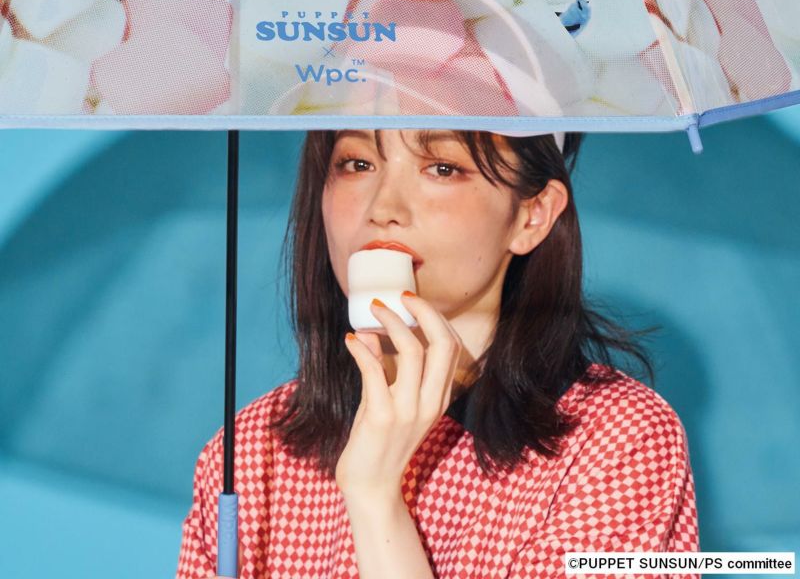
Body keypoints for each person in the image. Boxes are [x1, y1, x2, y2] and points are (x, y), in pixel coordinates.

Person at [176, 128, 699, 579]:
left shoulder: (621, 443)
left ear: (532, 215)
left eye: (442, 168)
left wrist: (376, 498)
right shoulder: (249, 453)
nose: (383, 209)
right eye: (357, 163)